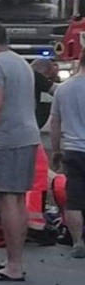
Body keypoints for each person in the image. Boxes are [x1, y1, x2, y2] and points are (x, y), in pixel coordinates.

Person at [0, 21, 42, 281]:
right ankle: (15, 260)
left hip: (9, 138)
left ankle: (13, 265)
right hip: (28, 135)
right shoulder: (22, 63)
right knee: (18, 198)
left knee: (6, 199)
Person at [49, 64, 85, 259]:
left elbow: (55, 122)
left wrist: (55, 150)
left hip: (72, 150)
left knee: (74, 200)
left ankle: (78, 241)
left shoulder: (63, 88)